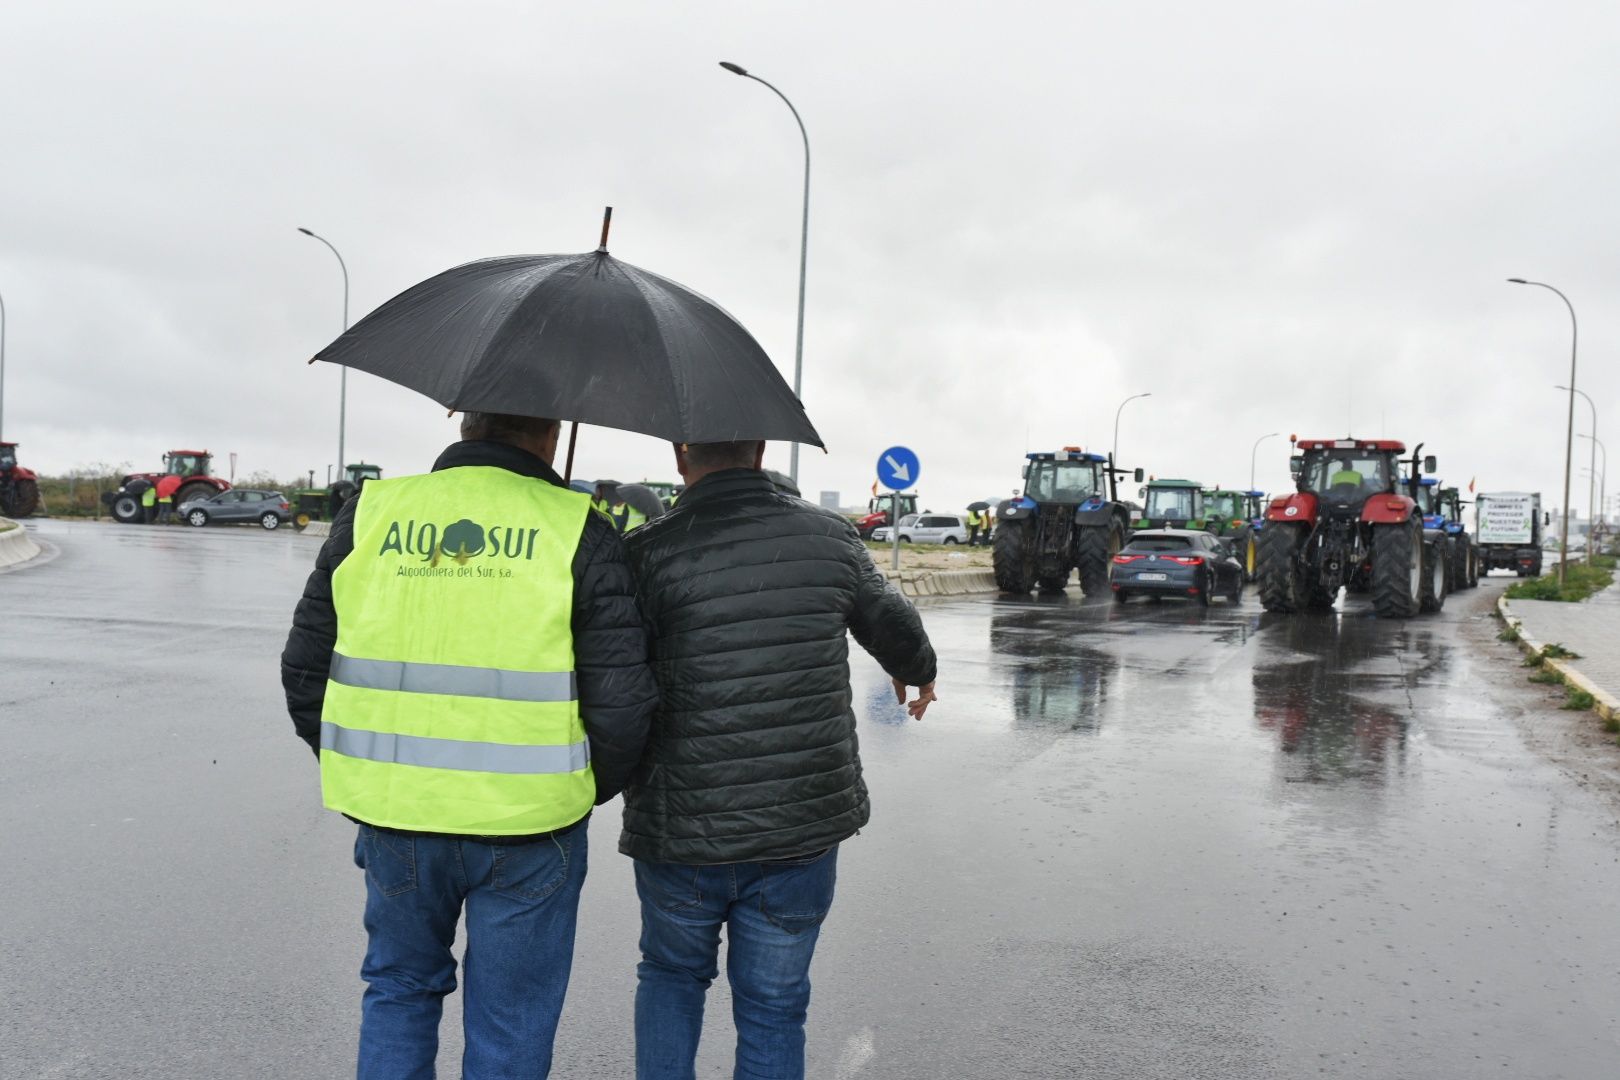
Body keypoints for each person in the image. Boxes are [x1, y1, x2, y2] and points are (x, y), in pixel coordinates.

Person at [280, 411, 658, 1080]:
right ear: (548, 435)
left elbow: (306, 669)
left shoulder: (371, 514)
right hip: (530, 828)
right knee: (510, 1021)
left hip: (396, 815)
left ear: (466, 425)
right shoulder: (578, 529)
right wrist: (572, 788)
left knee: (399, 992)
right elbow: (624, 704)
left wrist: (363, 767)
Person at [622, 439, 938, 1080]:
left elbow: (612, 676)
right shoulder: (829, 537)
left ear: (682, 456)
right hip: (800, 828)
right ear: (761, 450)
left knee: (671, 980)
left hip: (679, 826)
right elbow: (889, 620)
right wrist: (918, 670)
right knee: (773, 1007)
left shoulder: (645, 551)